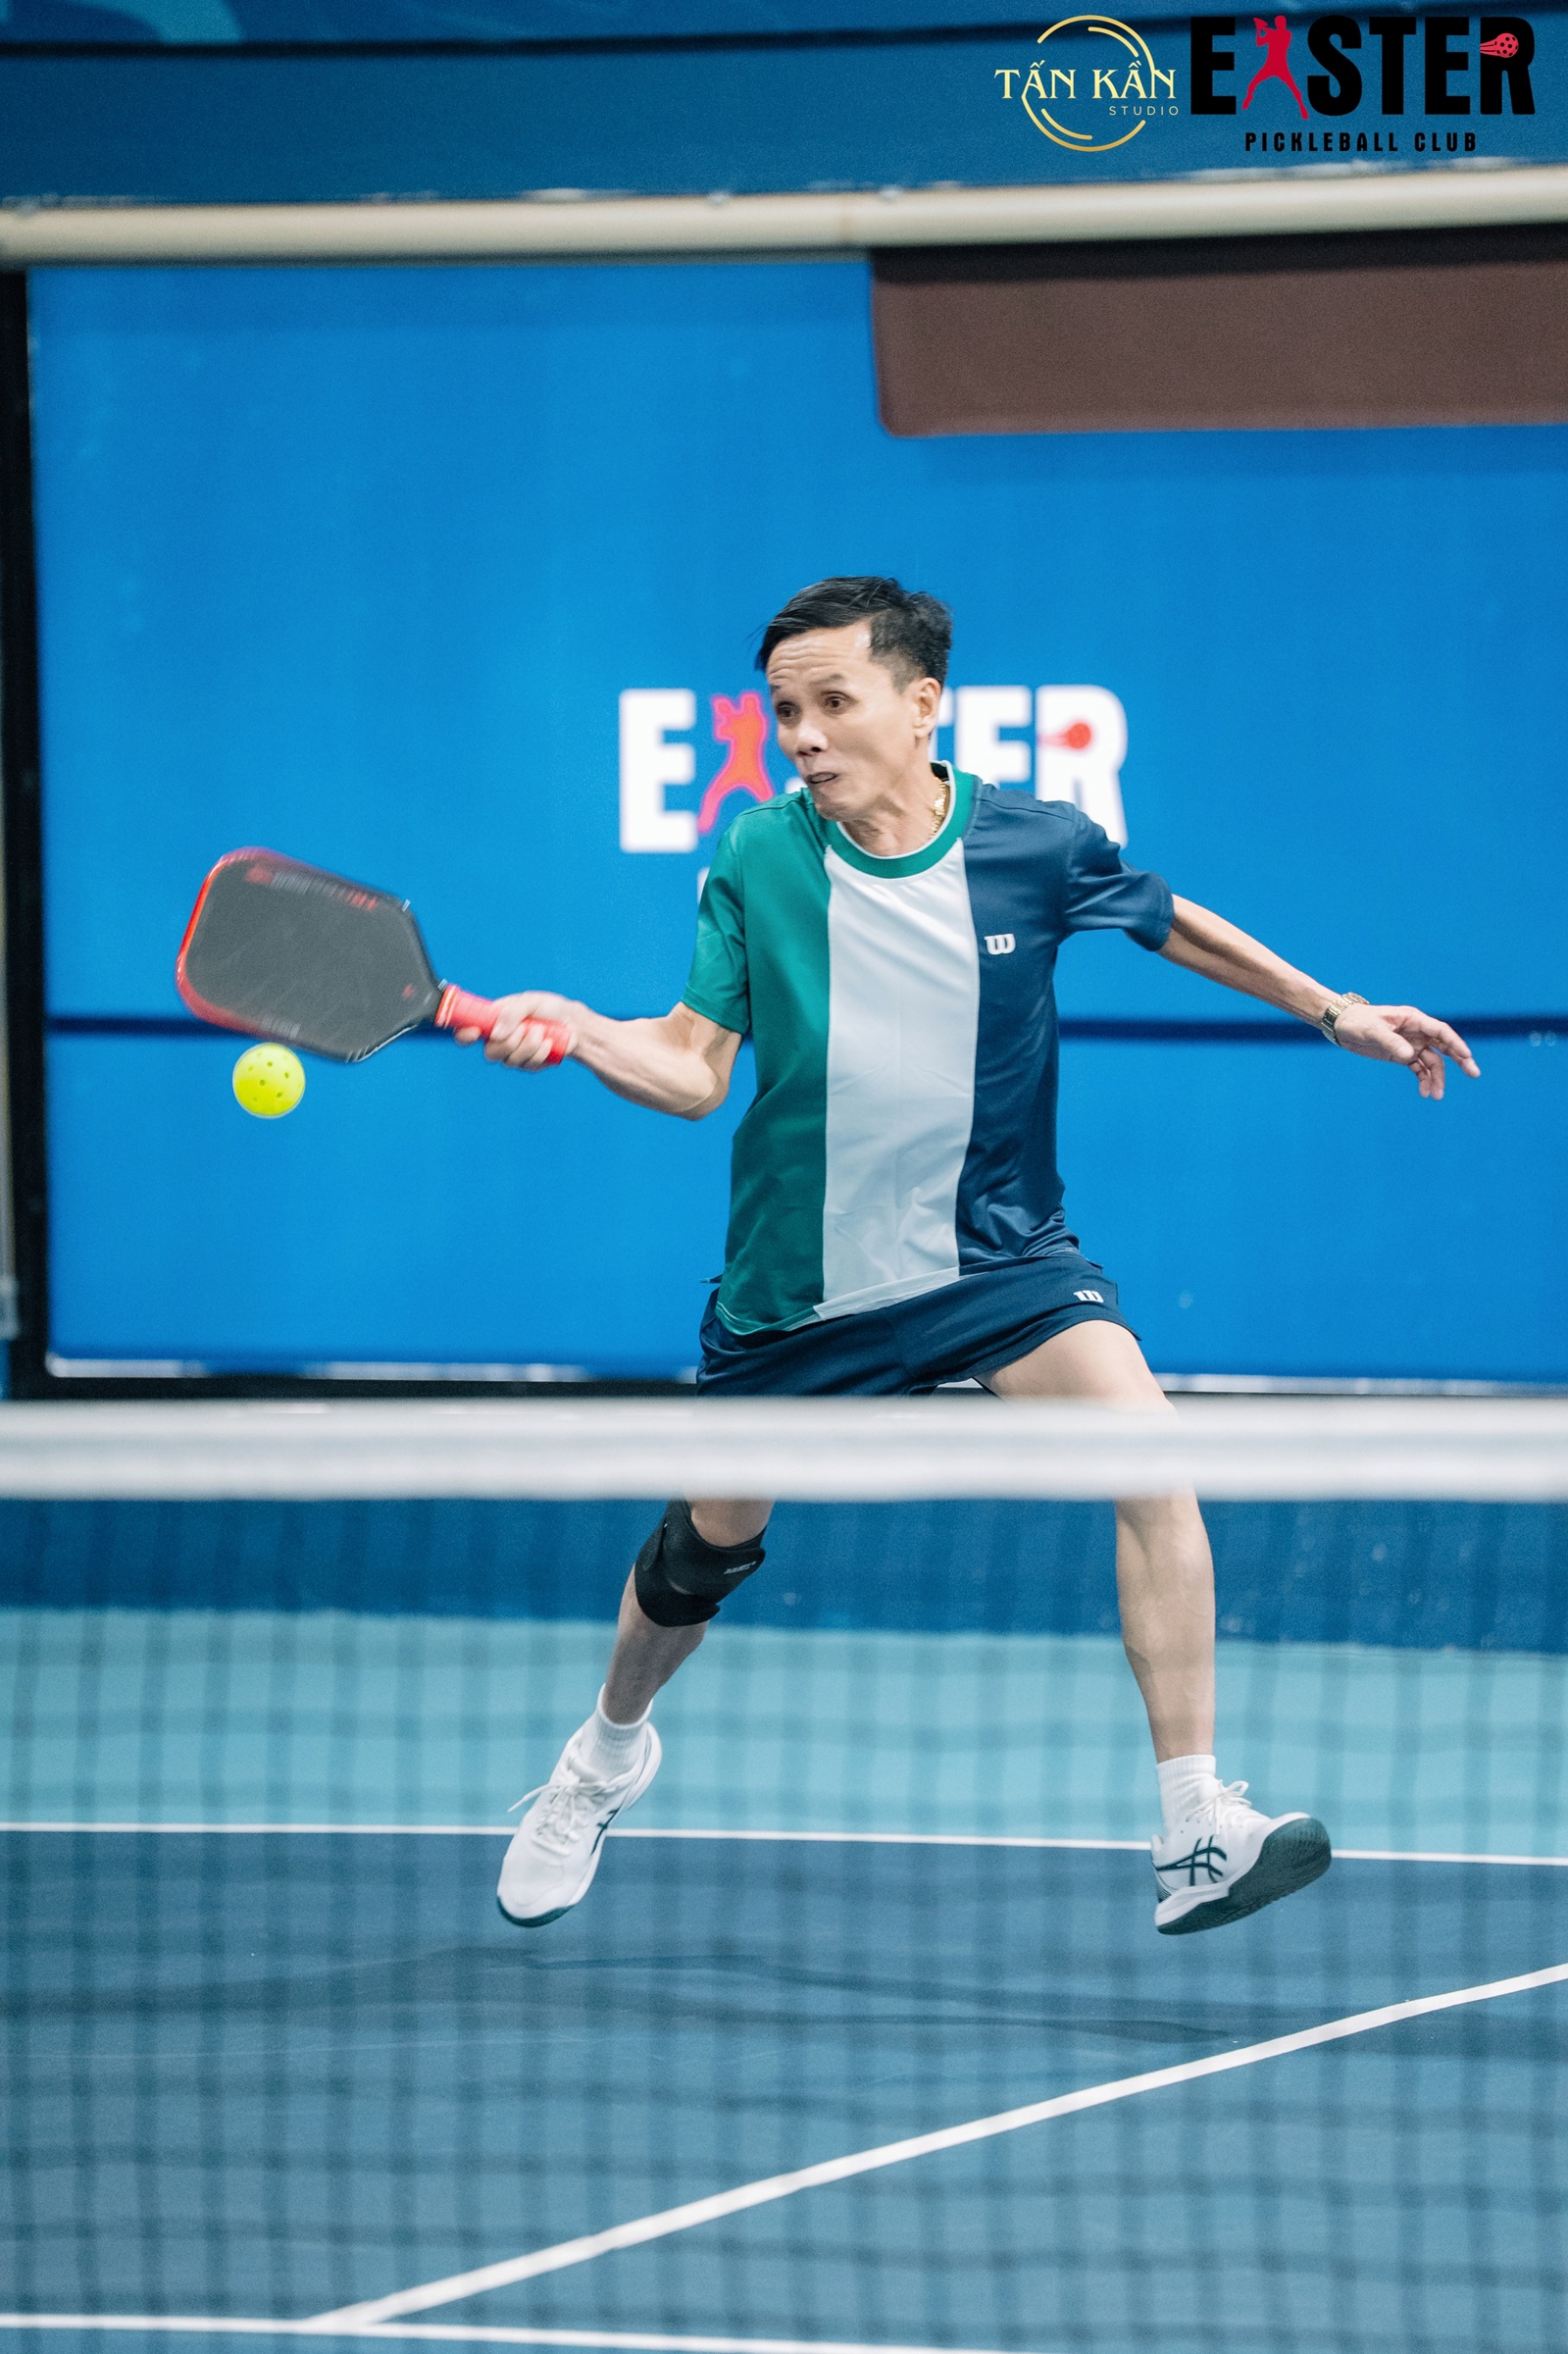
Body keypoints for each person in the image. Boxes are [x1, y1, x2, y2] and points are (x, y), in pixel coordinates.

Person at [467, 576, 1479, 1938]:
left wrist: (1332, 1008)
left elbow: (1170, 921)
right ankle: (603, 1756)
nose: (803, 735)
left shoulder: (1031, 843)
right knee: (705, 1551)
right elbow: (695, 1072)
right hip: (800, 1289)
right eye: (784, 712)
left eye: (833, 702)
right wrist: (584, 1029)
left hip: (998, 1259)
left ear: (921, 701)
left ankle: (1195, 1825)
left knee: (1152, 1461)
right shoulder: (759, 855)